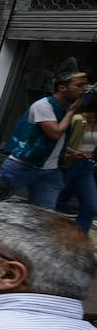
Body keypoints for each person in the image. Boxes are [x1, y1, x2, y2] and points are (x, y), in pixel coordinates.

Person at [0, 70, 89, 209]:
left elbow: (57, 140)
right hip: (23, 166)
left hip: (50, 171)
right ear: (62, 87)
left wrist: (72, 152)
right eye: (79, 85)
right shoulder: (44, 105)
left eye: (85, 85)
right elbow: (55, 134)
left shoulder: (62, 109)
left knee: (44, 214)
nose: (85, 89)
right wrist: (71, 112)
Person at [57, 90, 96, 232]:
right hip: (69, 164)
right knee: (54, 203)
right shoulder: (78, 119)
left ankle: (78, 242)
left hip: (86, 167)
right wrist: (74, 153)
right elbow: (59, 142)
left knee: (90, 206)